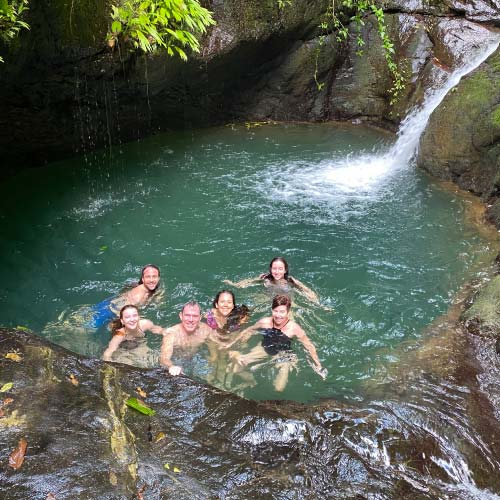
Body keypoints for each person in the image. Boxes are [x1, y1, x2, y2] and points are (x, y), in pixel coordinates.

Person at [226, 294, 327, 392]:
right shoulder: (264, 322)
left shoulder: (294, 328)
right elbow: (249, 330)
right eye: (276, 311)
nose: (278, 315)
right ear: (272, 310)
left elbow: (309, 345)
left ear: (288, 312)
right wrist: (232, 343)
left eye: (282, 312)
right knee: (235, 369)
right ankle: (252, 381)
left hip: (284, 355)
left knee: (279, 388)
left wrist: (318, 365)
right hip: (263, 349)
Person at [86, 264, 162, 329]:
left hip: (110, 302)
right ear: (143, 279)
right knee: (85, 328)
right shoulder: (139, 296)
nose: (151, 280)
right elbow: (124, 312)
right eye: (148, 277)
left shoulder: (141, 286)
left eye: (154, 276)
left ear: (158, 278)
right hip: (111, 312)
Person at [224, 256, 320, 305]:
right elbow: (249, 282)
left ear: (285, 270)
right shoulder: (266, 279)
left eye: (280, 269)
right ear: (270, 269)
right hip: (267, 299)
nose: (277, 272)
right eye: (274, 268)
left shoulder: (291, 281)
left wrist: (317, 303)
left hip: (286, 303)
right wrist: (234, 284)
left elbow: (306, 291)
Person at [203, 290, 250, 386]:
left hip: (232, 337)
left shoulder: (240, 317)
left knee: (226, 355)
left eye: (229, 302)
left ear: (233, 306)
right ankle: (212, 378)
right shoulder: (209, 316)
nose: (225, 305)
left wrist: (230, 344)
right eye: (222, 302)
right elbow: (207, 334)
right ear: (216, 305)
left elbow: (242, 333)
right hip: (213, 338)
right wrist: (218, 341)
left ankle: (221, 383)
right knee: (214, 358)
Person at [160, 301, 216, 376]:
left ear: (200, 317)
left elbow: (214, 351)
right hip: (176, 361)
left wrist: (213, 363)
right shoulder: (171, 334)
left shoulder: (206, 330)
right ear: (181, 316)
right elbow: (164, 359)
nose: (191, 320)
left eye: (195, 316)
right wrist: (171, 366)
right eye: (187, 315)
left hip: (196, 359)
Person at [102, 304, 166, 364]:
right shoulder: (120, 335)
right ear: (122, 321)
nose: (132, 319)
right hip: (124, 347)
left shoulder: (145, 324)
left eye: (135, 315)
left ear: (139, 317)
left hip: (139, 342)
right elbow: (107, 354)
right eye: (127, 317)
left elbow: (157, 329)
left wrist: (163, 331)